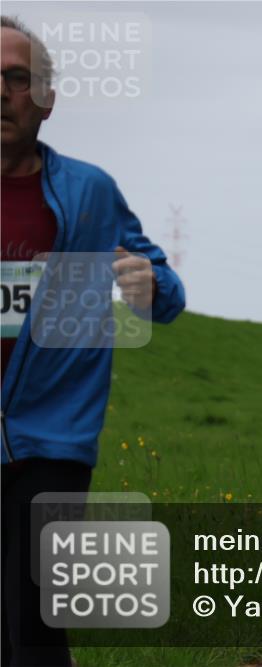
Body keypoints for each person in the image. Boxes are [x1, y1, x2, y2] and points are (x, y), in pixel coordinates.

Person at [1, 16, 186, 667]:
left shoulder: (90, 191)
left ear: (45, 99)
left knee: (35, 622)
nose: (0, 92)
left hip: (53, 437)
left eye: (16, 78)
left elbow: (166, 292)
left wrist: (147, 284)